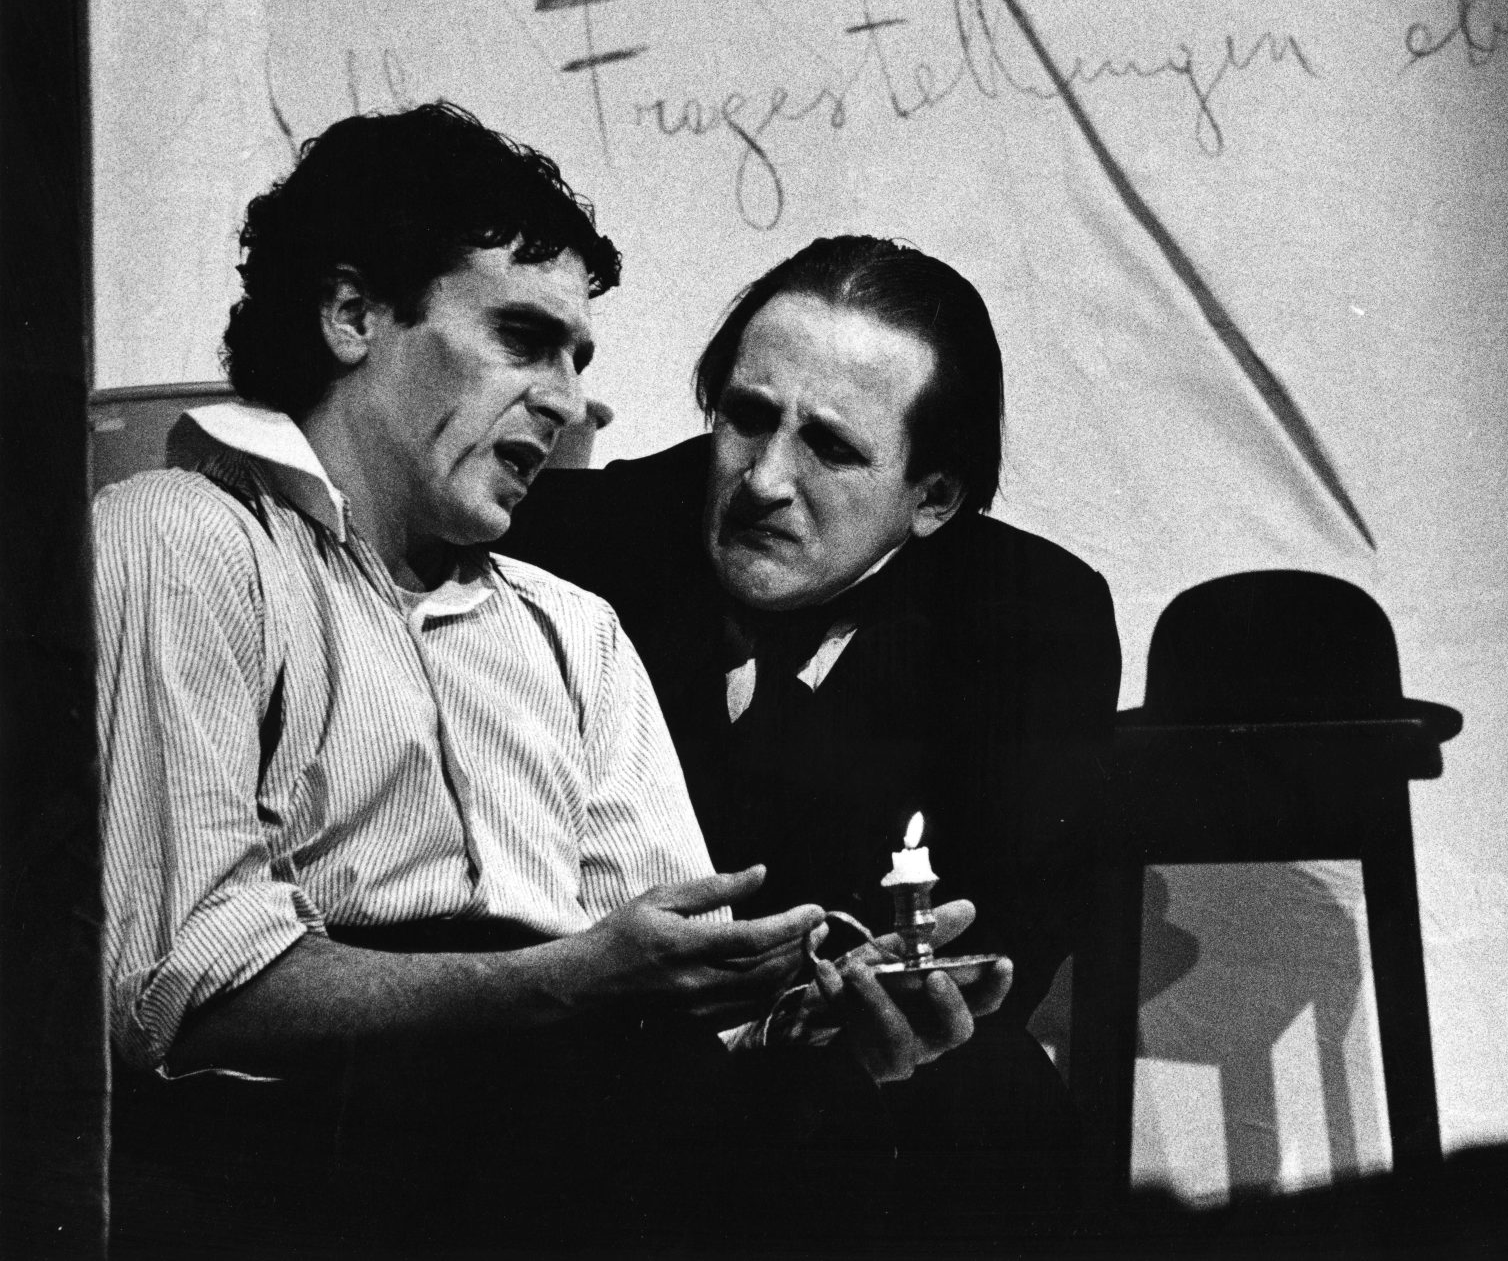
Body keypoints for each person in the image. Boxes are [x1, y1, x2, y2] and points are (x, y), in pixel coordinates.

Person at [94, 105, 1008, 1253]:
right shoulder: (183, 539)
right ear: (352, 314)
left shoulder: (570, 628)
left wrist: (823, 1016)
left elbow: (688, 992)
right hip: (303, 1173)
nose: (569, 400)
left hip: (570, 1156)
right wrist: (571, 980)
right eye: (524, 339)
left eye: (578, 359)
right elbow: (180, 985)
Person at [500, 234, 1123, 1234]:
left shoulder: (1030, 616)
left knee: (992, 1099)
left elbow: (1008, 924)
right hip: (603, 1058)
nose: (763, 481)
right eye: (748, 418)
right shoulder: (580, 538)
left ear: (934, 497)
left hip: (860, 1079)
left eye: (831, 448)